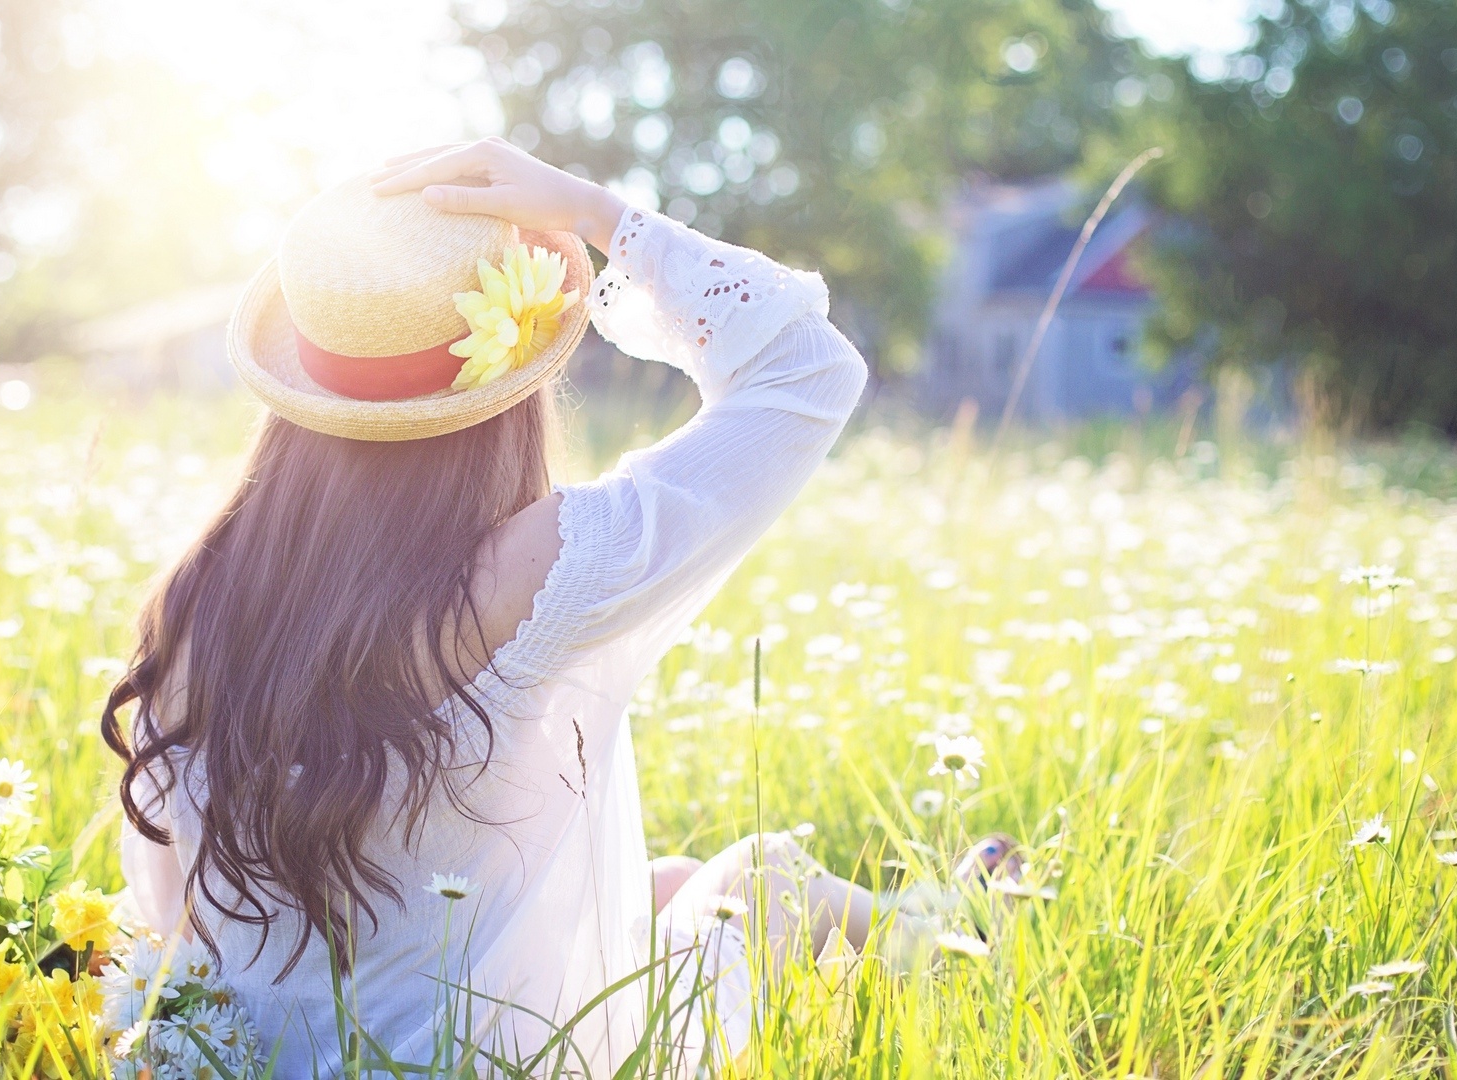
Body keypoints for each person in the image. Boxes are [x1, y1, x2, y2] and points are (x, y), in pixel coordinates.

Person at [102, 138, 1011, 1076]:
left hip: (266, 1059)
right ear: (510, 381)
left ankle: (943, 917)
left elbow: (169, 913)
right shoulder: (529, 570)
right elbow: (808, 368)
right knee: (763, 880)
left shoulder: (199, 592)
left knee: (664, 888)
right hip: (496, 1061)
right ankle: (954, 933)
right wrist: (600, 215)